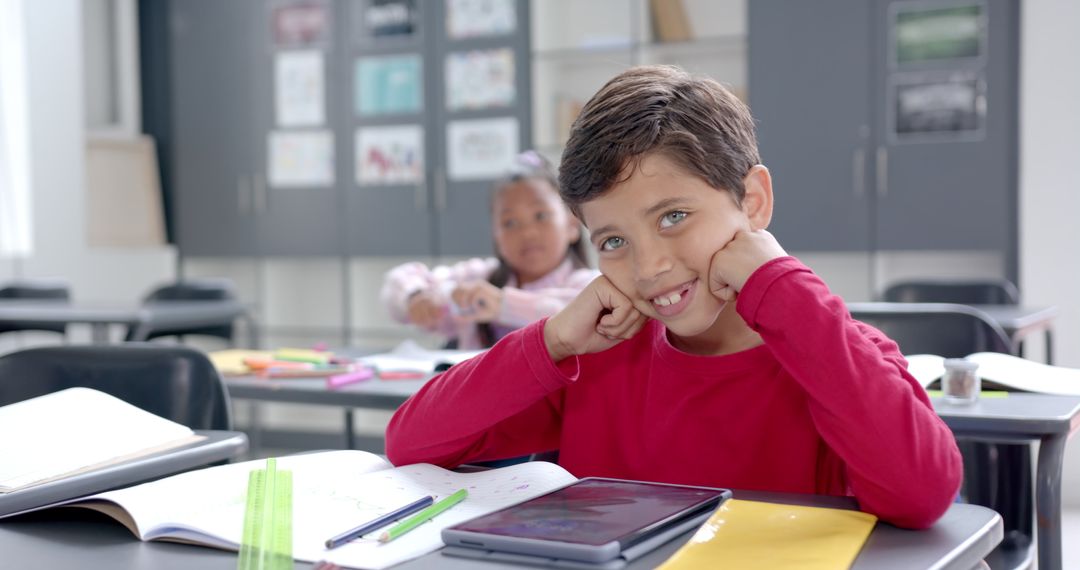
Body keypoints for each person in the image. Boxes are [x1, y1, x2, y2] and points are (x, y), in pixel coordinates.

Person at [386, 66, 962, 529]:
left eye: (674, 217)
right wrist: (554, 339)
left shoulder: (834, 352)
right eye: (613, 240)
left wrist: (783, 287)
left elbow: (921, 494)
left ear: (754, 201)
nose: (650, 266)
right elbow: (411, 442)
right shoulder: (600, 356)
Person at [381, 151, 598, 349]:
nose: (527, 233)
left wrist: (502, 304)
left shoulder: (589, 285)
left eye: (541, 216)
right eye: (510, 223)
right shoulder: (481, 277)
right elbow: (398, 282)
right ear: (496, 236)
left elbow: (573, 316)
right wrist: (417, 298)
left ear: (572, 224)